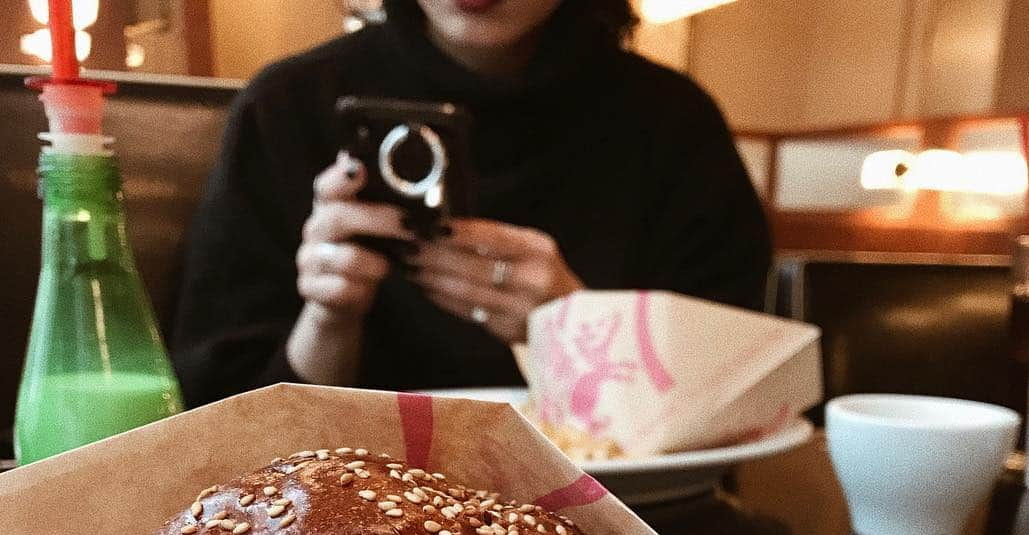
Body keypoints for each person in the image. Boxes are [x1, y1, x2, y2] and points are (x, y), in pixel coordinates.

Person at [171, 0, 772, 405]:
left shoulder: (671, 125)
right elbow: (224, 429)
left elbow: (735, 398)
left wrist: (580, 331)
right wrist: (329, 318)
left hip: (631, 523)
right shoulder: (288, 109)